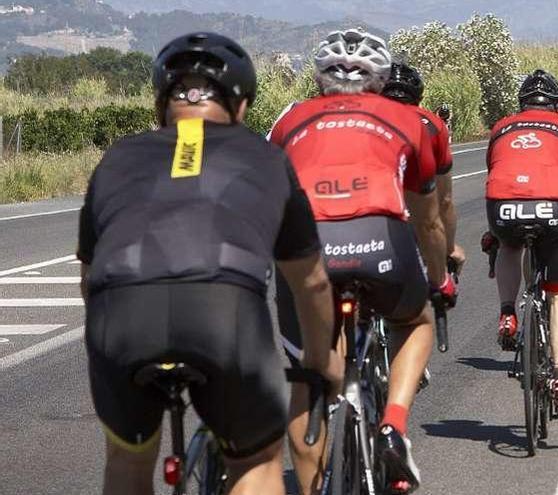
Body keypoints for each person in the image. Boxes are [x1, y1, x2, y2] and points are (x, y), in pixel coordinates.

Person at [77, 32, 338, 495]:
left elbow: (88, 277)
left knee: (127, 458)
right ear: (240, 106)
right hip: (225, 311)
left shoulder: (116, 158)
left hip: (120, 315)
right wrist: (320, 358)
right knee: (257, 462)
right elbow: (311, 283)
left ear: (161, 102)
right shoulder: (267, 158)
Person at [268, 29, 454, 494]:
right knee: (417, 321)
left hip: (306, 251)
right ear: (382, 79)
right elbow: (429, 222)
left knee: (310, 380)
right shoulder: (406, 118)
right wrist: (440, 280)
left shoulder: (290, 119)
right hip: (380, 241)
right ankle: (392, 425)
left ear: (320, 78)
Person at [486, 69, 558, 413]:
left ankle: (507, 313)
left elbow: (496, 172)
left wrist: (495, 228)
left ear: (522, 104)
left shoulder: (502, 126)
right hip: (552, 208)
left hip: (502, 205)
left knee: (508, 245)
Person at [382, 62, 466, 269]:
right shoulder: (433, 123)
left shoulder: (363, 117)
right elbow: (445, 200)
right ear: (418, 97)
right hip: (412, 214)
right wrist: (449, 248)